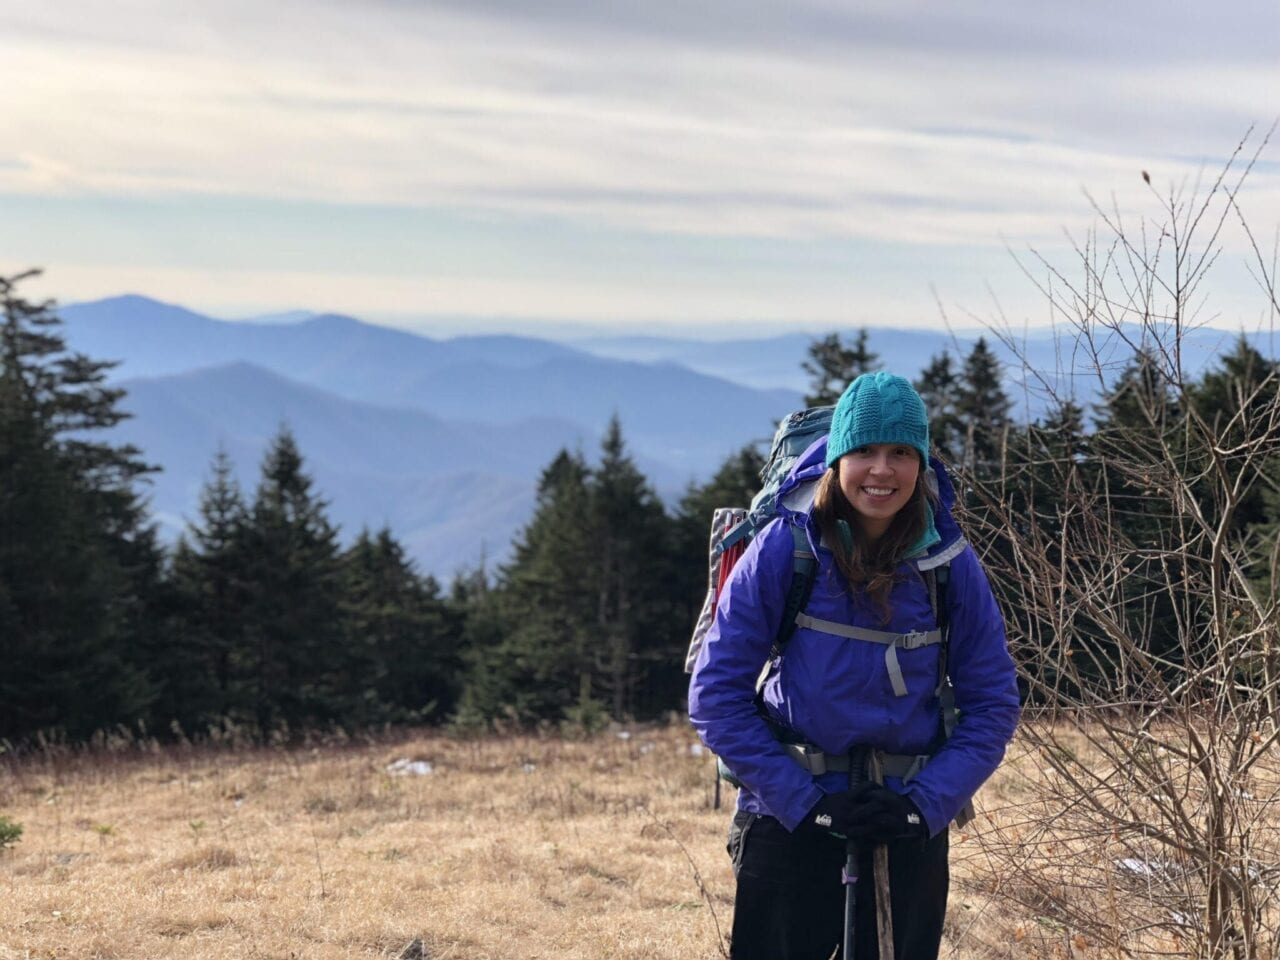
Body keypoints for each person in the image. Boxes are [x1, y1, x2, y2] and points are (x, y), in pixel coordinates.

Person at [688, 371, 1019, 960]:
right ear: (838, 457)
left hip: (905, 823)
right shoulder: (785, 550)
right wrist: (807, 804)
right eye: (864, 450)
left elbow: (992, 705)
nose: (882, 470)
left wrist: (922, 809)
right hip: (786, 819)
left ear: (921, 463)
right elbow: (715, 696)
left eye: (900, 452)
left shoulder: (948, 562)